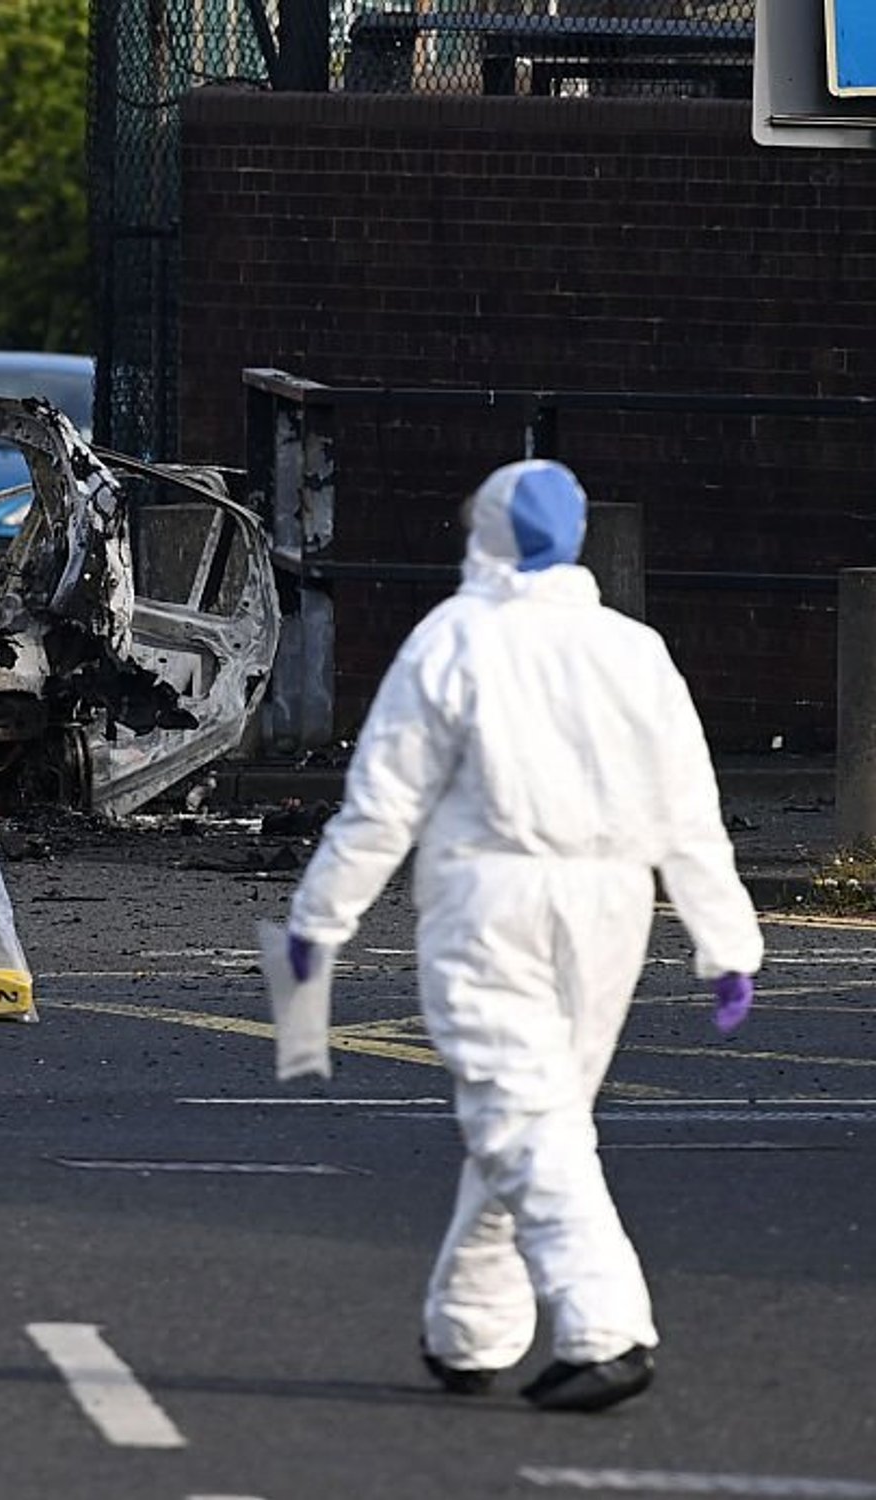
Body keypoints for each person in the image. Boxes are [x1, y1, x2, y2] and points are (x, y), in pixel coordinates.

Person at [283, 458, 762, 1414]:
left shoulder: (455, 637)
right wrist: (726, 940)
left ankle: (605, 1327)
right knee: (538, 1119)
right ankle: (470, 1331)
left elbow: (384, 803)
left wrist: (319, 918)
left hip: (488, 898)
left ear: (487, 535)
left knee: (519, 1116)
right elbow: (689, 809)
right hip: (613, 904)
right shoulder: (635, 648)